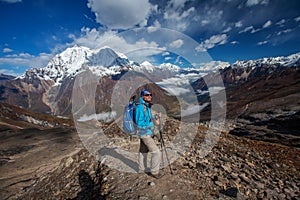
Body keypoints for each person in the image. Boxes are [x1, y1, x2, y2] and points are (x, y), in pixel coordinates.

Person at [135, 89, 163, 179]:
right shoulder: (140, 107)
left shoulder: (146, 105)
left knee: (143, 151)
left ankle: (141, 169)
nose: (149, 96)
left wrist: (155, 117)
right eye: (147, 95)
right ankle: (154, 172)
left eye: (150, 95)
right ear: (142, 96)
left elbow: (149, 117)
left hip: (146, 132)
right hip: (144, 133)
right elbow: (139, 123)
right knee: (156, 153)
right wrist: (153, 123)